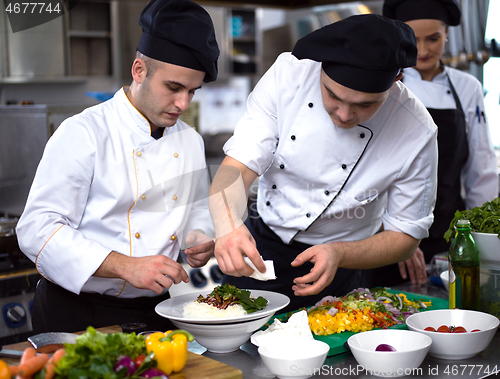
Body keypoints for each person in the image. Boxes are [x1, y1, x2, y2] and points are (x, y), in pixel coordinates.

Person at [208, 14, 438, 313]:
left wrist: (340, 254)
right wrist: (227, 226)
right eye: (332, 94)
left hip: (344, 263)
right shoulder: (288, 77)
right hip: (261, 247)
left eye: (364, 105)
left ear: (396, 80)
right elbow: (236, 167)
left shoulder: (416, 130)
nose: (343, 114)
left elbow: (405, 236)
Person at [16, 0, 219, 334]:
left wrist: (198, 237)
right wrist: (125, 266)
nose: (183, 104)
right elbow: (36, 229)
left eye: (192, 91)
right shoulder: (84, 132)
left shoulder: (190, 141)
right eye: (173, 87)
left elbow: (195, 210)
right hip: (76, 311)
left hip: (157, 311)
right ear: (139, 70)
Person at [364, 0, 499, 287]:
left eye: (433, 38)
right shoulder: (383, 85)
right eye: (413, 38)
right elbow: (369, 166)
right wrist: (394, 235)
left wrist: (483, 240)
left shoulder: (467, 88)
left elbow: (481, 168)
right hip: (386, 232)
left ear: (447, 33)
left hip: (450, 232)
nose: (423, 50)